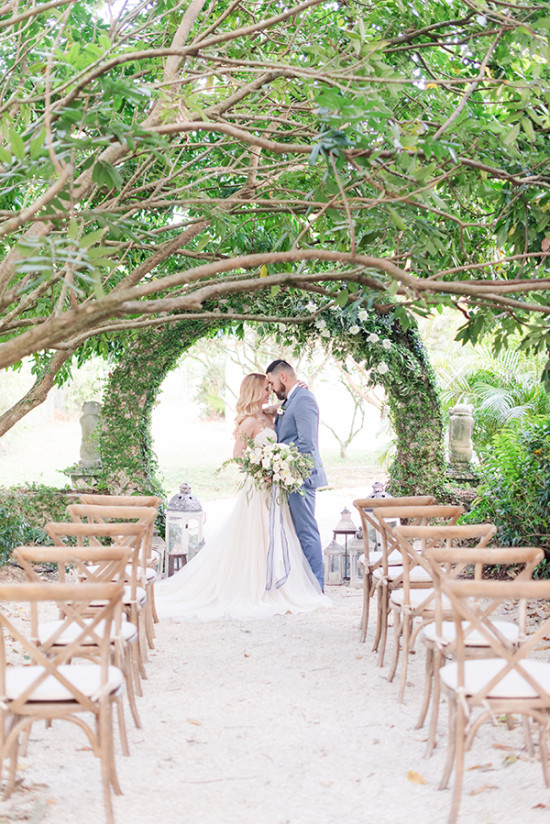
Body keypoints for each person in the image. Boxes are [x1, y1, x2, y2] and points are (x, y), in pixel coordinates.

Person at [155, 373, 330, 621]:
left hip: (275, 486)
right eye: (264, 388)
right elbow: (238, 456)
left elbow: (291, 401)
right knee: (255, 534)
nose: (269, 391)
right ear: (253, 391)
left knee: (278, 533)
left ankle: (280, 581)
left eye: (270, 386)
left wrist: (302, 386)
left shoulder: (269, 414)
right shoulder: (248, 422)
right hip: (259, 487)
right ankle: (254, 584)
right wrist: (261, 469)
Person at [266, 359, 327, 590]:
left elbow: (307, 443)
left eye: (271, 383)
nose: (271, 389)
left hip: (301, 476)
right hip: (290, 477)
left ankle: (317, 586)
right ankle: (304, 583)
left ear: (283, 377)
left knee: (306, 530)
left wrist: (292, 473)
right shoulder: (292, 400)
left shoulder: (304, 399)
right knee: (296, 531)